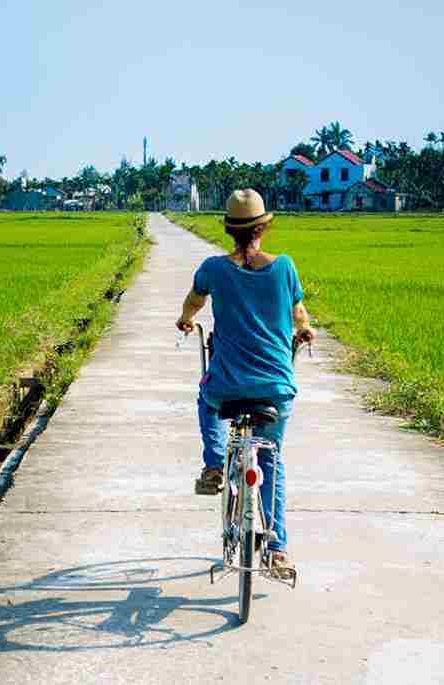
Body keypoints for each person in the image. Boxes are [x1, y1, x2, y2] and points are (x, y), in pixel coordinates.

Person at [175, 189, 314, 569]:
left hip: (227, 385)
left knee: (205, 397)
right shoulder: (285, 267)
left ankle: (215, 463)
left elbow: (194, 301)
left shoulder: (214, 268)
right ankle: (277, 548)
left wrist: (187, 320)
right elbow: (299, 310)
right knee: (272, 462)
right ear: (264, 228)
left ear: (229, 230)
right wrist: (303, 329)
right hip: (275, 387)